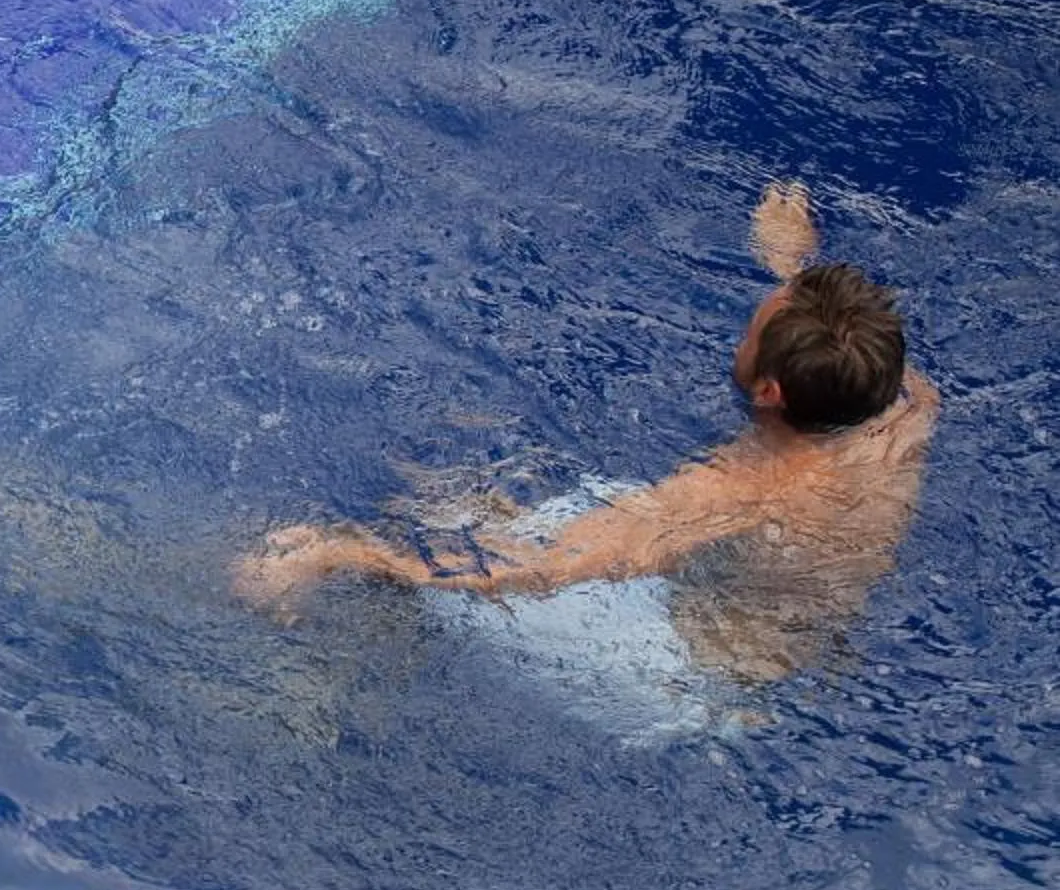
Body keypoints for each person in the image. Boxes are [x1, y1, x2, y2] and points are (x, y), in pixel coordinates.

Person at [232, 181, 938, 688]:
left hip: (688, 676)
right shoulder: (903, 402)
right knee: (483, 502)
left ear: (769, 391)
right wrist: (791, 265)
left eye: (752, 329)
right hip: (791, 633)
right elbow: (852, 343)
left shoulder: (738, 490)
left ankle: (324, 681)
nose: (743, 332)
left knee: (451, 527)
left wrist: (344, 555)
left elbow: (547, 567)